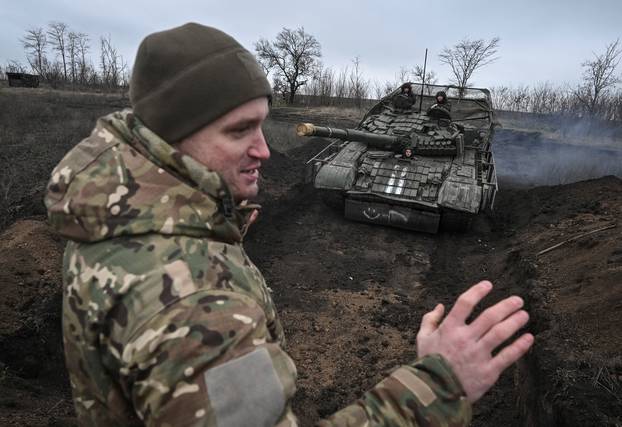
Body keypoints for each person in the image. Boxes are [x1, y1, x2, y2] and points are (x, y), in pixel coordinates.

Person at [45, 23, 534, 426]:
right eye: (239, 130)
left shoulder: (111, 218)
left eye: (262, 124)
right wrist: (439, 383)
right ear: (172, 133)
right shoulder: (196, 302)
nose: (264, 149)